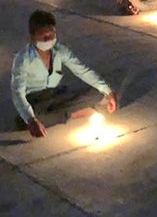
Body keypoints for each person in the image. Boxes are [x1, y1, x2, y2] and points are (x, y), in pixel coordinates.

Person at [11, 9, 118, 137]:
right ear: (33, 35)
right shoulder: (23, 59)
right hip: (36, 100)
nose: (49, 39)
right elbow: (18, 93)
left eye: (52, 35)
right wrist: (31, 119)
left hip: (57, 95)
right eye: (44, 36)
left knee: (98, 93)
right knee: (26, 121)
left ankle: (65, 114)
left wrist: (107, 91)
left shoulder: (60, 51)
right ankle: (74, 113)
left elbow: (82, 71)